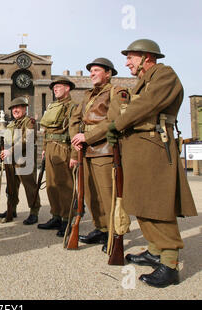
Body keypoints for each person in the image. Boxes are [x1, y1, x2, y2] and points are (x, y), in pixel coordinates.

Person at [106, 39, 197, 288]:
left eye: (131, 57)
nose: (126, 62)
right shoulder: (143, 81)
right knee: (142, 202)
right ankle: (155, 251)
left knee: (158, 204)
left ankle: (169, 264)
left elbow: (146, 105)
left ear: (147, 57)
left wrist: (118, 124)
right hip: (139, 147)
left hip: (155, 147)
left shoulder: (164, 74)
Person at [69, 58, 129, 252]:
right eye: (91, 71)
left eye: (96, 70)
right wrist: (76, 140)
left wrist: (86, 136)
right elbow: (74, 119)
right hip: (85, 151)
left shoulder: (116, 92)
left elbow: (113, 121)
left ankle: (114, 233)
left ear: (108, 73)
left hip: (104, 150)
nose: (92, 73)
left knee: (107, 193)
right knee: (90, 194)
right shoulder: (88, 96)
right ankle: (101, 228)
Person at [37, 77, 77, 236]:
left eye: (59, 86)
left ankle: (67, 219)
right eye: (54, 87)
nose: (55, 89)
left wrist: (74, 154)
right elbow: (46, 131)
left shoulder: (72, 107)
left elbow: (75, 130)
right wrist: (45, 148)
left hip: (63, 148)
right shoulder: (52, 106)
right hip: (51, 148)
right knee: (51, 185)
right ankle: (56, 216)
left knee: (65, 185)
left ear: (67, 88)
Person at [0, 97, 41, 225]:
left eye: (18, 108)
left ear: (24, 108)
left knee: (30, 187)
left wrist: (10, 150)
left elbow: (27, 140)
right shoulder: (11, 124)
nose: (15, 110)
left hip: (25, 160)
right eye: (13, 108)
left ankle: (34, 212)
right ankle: (11, 210)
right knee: (11, 187)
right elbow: (6, 142)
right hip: (11, 161)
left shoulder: (30, 122)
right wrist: (2, 152)